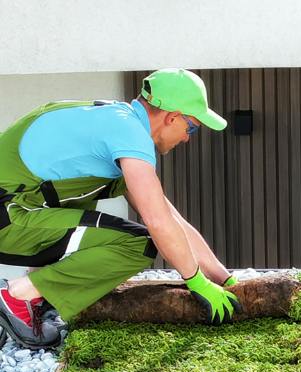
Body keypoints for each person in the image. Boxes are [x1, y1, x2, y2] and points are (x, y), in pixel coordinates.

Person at [0, 68, 240, 349]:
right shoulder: (129, 136)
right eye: (192, 128)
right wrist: (195, 281)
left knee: (90, 205)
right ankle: (18, 297)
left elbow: (169, 217)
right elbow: (158, 224)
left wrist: (223, 278)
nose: (188, 138)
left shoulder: (111, 120)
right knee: (139, 245)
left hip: (19, 211)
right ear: (172, 117)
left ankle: (38, 297)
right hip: (11, 218)